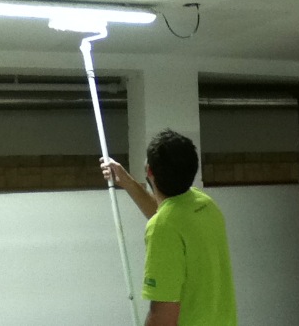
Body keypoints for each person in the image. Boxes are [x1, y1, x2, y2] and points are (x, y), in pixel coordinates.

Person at [101, 129, 237, 326]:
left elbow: (162, 317)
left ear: (149, 171)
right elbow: (167, 213)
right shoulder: (205, 205)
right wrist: (127, 181)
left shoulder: (162, 228)